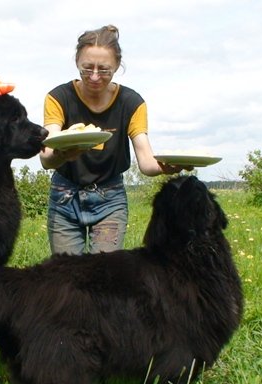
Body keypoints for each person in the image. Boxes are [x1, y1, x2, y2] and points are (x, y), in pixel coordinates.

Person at [40, 24, 183, 255]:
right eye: (87, 68)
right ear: (77, 62)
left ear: (117, 66)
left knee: (105, 278)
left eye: (104, 70)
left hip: (110, 200)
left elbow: (146, 162)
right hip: (64, 196)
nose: (94, 76)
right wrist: (61, 153)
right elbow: (46, 158)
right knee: (65, 277)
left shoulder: (131, 102)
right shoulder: (58, 98)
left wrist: (167, 167)